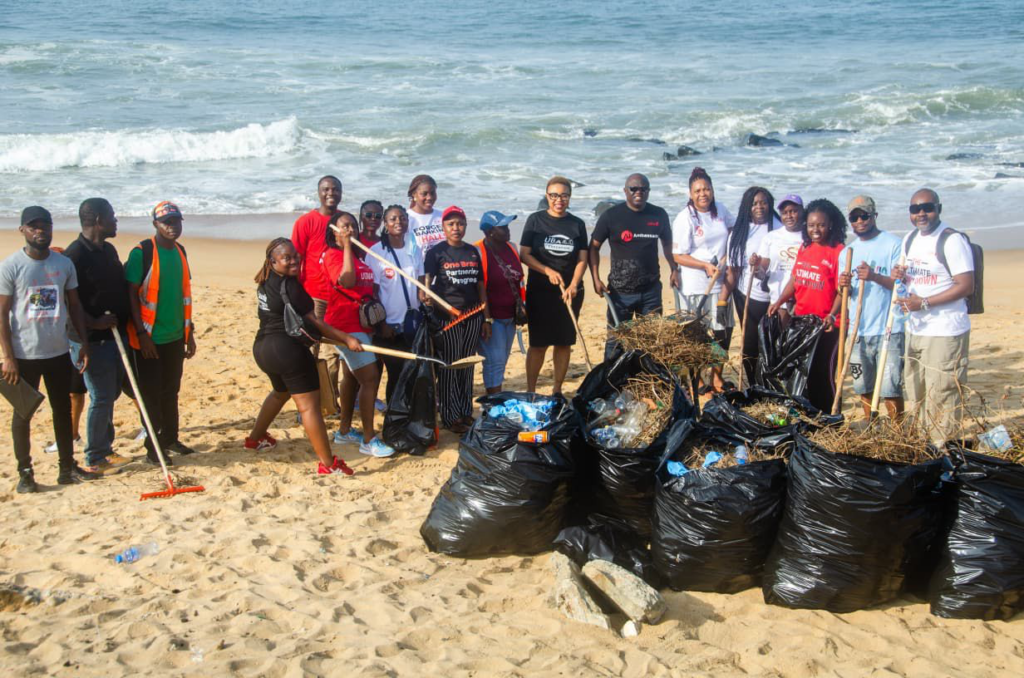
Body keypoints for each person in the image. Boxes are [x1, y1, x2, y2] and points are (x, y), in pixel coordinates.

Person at [0, 206, 100, 492]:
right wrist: (8, 358)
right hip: (23, 356)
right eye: (33, 226)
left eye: (45, 225)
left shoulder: (63, 264)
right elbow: (2, 316)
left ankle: (66, 468)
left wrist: (82, 342)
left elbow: (75, 306)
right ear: (22, 230)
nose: (40, 230)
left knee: (61, 410)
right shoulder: (11, 267)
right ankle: (25, 473)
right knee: (23, 414)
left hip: (58, 352)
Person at [247, 238, 362, 475]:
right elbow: (317, 324)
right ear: (273, 261)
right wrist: (347, 339)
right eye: (286, 258)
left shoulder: (265, 280)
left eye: (295, 256)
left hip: (262, 349)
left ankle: (255, 439)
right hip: (287, 351)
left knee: (280, 392)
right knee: (309, 407)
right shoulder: (290, 286)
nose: (294, 261)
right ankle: (328, 464)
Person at [893, 189, 974, 444]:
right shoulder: (910, 239)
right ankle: (923, 449)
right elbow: (912, 275)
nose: (921, 214)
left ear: (939, 208)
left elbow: (966, 285)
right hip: (916, 329)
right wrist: (901, 275)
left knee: (943, 395)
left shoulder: (952, 240)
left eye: (926, 207)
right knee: (916, 392)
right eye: (915, 209)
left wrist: (925, 303)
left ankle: (943, 454)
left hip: (945, 331)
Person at [62, 198, 134, 473]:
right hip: (89, 339)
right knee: (101, 395)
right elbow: (68, 303)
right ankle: (95, 457)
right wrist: (93, 324)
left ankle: (106, 448)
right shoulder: (74, 256)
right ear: (98, 221)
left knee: (110, 393)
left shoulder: (108, 249)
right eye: (112, 216)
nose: (116, 221)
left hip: (114, 335)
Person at [125, 201, 198, 465]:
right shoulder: (142, 252)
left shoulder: (181, 251)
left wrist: (190, 334)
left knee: (171, 391)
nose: (172, 227)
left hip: (176, 336)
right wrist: (143, 336)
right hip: (149, 340)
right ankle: (152, 447)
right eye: (167, 222)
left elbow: (183, 295)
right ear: (155, 224)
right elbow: (131, 295)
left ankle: (170, 439)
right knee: (151, 395)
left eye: (176, 221)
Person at [321, 212, 395, 457]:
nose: (350, 230)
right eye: (345, 227)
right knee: (370, 378)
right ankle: (368, 439)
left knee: (352, 378)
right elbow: (348, 281)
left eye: (353, 226)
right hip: (344, 327)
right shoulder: (334, 255)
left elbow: (368, 290)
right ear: (335, 232)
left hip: (362, 325)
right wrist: (345, 248)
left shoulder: (360, 256)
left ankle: (344, 432)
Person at [767, 199, 848, 411]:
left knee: (824, 373)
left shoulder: (839, 251)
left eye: (821, 225)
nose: (816, 230)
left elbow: (842, 291)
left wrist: (832, 314)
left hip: (829, 325)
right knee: (804, 371)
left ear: (830, 224)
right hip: (802, 320)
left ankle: (830, 416)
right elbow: (795, 279)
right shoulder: (805, 247)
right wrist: (780, 301)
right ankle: (811, 413)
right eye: (811, 225)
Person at [589, 173, 677, 360]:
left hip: (651, 290)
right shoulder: (611, 216)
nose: (639, 192)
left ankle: (647, 381)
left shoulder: (659, 214)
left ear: (648, 191)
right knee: (617, 340)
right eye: (634, 189)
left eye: (643, 189)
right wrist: (595, 278)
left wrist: (674, 269)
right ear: (625, 191)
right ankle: (610, 384)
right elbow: (594, 247)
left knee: (652, 339)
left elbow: (667, 243)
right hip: (620, 293)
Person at [422, 206, 490, 432]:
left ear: (465, 225)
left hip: (472, 316)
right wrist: (446, 308)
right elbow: (427, 287)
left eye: (460, 223)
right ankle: (450, 417)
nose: (456, 228)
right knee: (450, 366)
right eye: (450, 224)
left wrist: (485, 317)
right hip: (448, 319)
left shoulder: (472, 251)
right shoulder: (436, 253)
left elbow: (480, 285)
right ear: (443, 227)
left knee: (467, 365)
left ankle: (464, 412)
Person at [836, 195, 905, 420]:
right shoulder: (846, 253)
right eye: (854, 217)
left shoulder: (894, 244)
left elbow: (900, 286)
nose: (859, 221)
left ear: (874, 216)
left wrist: (874, 276)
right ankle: (871, 426)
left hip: (888, 329)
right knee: (863, 386)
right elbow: (843, 294)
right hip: (859, 331)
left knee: (890, 388)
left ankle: (897, 431)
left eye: (864, 216)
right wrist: (842, 286)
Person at [520, 176, 588, 396]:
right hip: (540, 291)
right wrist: (547, 270)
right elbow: (525, 255)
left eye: (564, 195)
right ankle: (531, 390)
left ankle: (557, 389)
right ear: (547, 196)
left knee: (563, 342)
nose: (559, 200)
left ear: (570, 197)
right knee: (538, 343)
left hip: (569, 293)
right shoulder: (535, 221)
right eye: (554, 195)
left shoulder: (577, 224)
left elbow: (582, 258)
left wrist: (574, 284)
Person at [671, 167, 735, 393]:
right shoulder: (684, 218)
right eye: (697, 190)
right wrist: (705, 265)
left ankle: (717, 377)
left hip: (722, 285)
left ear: (712, 190)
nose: (703, 194)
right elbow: (678, 255)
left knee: (724, 330)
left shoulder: (722, 211)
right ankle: (696, 380)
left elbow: (734, 231)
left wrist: (727, 257)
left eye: (706, 189)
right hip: (695, 286)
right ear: (690, 193)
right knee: (695, 334)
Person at [367, 205, 423, 404]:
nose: (398, 222)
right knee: (396, 375)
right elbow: (372, 294)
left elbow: (421, 279)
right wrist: (382, 324)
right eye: (393, 219)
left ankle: (408, 415)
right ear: (386, 224)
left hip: (412, 324)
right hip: (389, 326)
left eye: (402, 218)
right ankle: (394, 418)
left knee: (412, 374)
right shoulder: (376, 252)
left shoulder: (413, 247)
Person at [726, 186, 780, 386]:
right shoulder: (741, 232)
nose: (759, 207)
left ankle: (770, 382)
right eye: (754, 203)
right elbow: (734, 270)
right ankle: (752, 383)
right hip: (746, 295)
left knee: (771, 342)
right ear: (747, 206)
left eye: (763, 202)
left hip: (774, 297)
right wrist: (724, 298)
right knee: (750, 342)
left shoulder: (780, 226)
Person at [475, 210, 524, 394]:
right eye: (502, 227)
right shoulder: (478, 251)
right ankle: (493, 401)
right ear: (489, 232)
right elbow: (477, 288)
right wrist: (485, 319)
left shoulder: (512, 247)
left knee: (502, 359)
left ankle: (495, 395)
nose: (507, 230)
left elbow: (519, 279)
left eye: (507, 226)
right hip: (492, 318)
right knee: (494, 361)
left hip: (510, 316)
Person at [291, 175, 342, 315]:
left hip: (341, 294)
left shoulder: (345, 220)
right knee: (316, 335)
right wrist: (295, 290)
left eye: (335, 190)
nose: (331, 193)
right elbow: (295, 259)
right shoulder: (305, 221)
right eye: (326, 189)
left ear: (341, 193)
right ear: (318, 193)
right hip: (314, 294)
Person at [755, 194, 805, 326]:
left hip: (803, 301)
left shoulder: (809, 236)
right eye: (784, 212)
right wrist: (755, 268)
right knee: (777, 344)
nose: (789, 216)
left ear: (802, 211)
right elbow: (761, 273)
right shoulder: (771, 237)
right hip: (778, 302)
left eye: (793, 211)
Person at [407, 174, 444, 258]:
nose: (429, 197)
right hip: (420, 268)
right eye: (424, 194)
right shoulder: (406, 218)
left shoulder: (443, 216)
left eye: (432, 193)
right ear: (414, 194)